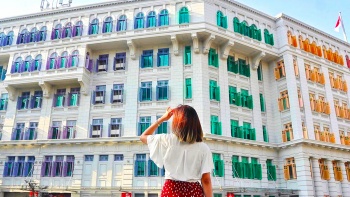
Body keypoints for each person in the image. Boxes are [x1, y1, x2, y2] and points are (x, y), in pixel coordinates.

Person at [140, 105, 213, 197]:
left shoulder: (166, 140)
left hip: (171, 190)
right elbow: (206, 180)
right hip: (193, 192)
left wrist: (162, 119)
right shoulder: (203, 148)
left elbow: (143, 137)